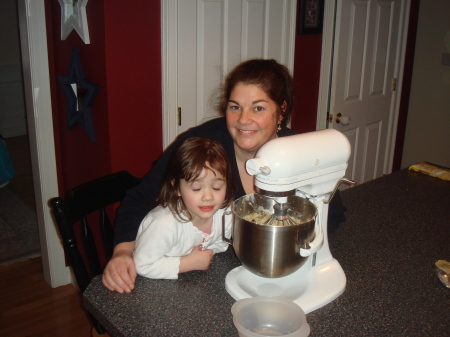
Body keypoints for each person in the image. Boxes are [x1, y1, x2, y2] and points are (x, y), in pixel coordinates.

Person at [102, 58, 347, 293]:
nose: (243, 120)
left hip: (281, 274)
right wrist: (123, 251)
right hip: (198, 283)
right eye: (235, 107)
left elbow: (332, 212)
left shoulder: (300, 151)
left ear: (280, 111)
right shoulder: (199, 146)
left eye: (258, 108)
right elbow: (140, 199)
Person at [133, 137, 236, 279]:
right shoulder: (163, 225)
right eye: (196, 188)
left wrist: (209, 252)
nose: (208, 197)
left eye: (217, 187)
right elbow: (142, 265)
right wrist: (188, 263)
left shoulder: (226, 214)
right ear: (177, 188)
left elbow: (222, 242)